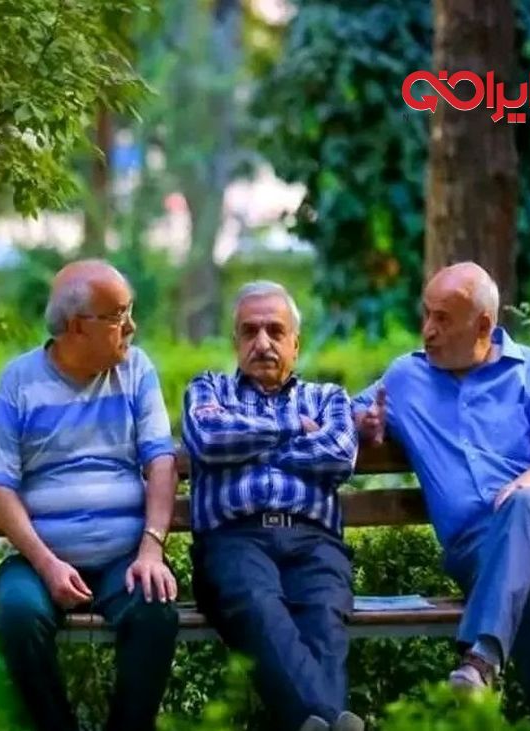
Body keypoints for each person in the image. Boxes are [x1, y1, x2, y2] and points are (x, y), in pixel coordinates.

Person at [352, 262, 530, 717]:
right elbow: (345, 414)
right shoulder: (406, 379)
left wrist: (527, 484)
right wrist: (361, 423)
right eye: (426, 314)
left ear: (483, 325)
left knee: (524, 506)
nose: (428, 330)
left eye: (443, 319)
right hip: (478, 548)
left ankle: (481, 659)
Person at [0, 260, 180, 731]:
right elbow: (0, 489)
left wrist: (151, 550)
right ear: (76, 327)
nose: (131, 326)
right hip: (38, 559)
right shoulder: (17, 383)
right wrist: (47, 564)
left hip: (123, 559)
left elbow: (161, 462)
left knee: (155, 610)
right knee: (18, 616)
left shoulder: (136, 370)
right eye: (118, 315)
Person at [181, 281, 365, 731]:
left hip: (315, 542)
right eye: (250, 331)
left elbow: (339, 454)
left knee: (324, 621)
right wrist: (295, 429)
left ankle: (317, 722)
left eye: (275, 331)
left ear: (295, 343)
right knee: (258, 607)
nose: (262, 343)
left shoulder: (328, 398)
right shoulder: (209, 388)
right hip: (234, 539)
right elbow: (210, 440)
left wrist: (252, 445)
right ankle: (332, 721)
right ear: (236, 342)